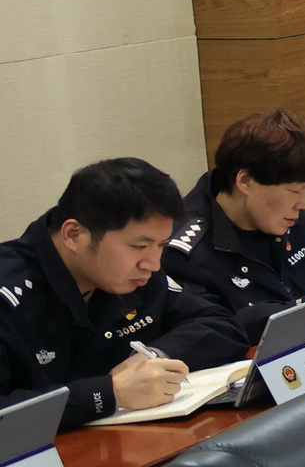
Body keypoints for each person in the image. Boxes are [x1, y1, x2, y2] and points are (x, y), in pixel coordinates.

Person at [0, 158, 244, 428]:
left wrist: (155, 356)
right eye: (139, 247)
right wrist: (110, 393)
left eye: (161, 245)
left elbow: (220, 324)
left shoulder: (135, 273)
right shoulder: (9, 293)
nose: (153, 264)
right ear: (74, 234)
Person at [164, 110, 305, 343]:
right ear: (245, 181)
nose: (304, 204)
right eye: (294, 191)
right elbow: (218, 331)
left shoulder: (290, 221)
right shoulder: (185, 254)